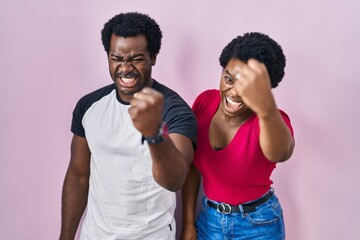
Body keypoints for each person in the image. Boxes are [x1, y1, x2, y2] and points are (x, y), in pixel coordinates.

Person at [59, 12, 197, 240]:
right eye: (116, 58)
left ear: (153, 57)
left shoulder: (175, 111)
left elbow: (175, 180)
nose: (125, 68)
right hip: (95, 235)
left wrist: (154, 133)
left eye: (136, 58)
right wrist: (65, 236)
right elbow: (78, 174)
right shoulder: (89, 106)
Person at [181, 32, 295, 240]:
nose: (234, 92)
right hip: (210, 220)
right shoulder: (204, 103)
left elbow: (281, 152)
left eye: (247, 87)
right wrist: (188, 223)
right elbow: (191, 166)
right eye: (229, 79)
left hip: (259, 224)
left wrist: (266, 107)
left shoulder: (272, 120)